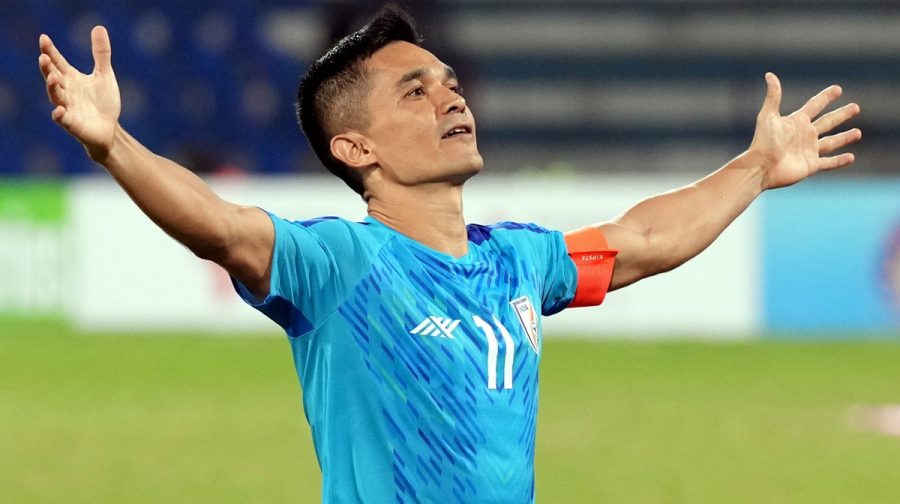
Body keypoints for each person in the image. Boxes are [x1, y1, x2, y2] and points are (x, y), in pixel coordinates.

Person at [38, 6, 861, 503]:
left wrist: (754, 168)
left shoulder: (519, 263)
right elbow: (225, 228)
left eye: (447, 80)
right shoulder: (340, 268)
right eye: (415, 90)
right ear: (355, 146)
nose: (450, 94)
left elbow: (643, 239)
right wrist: (114, 145)